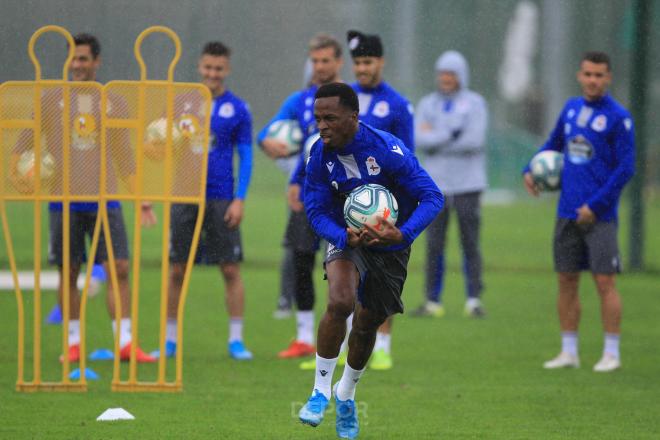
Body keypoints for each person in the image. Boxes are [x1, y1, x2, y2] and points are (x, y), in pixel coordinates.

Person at [297, 83, 443, 437]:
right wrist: (341, 235)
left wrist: (402, 234)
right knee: (340, 301)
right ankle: (319, 392)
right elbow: (315, 210)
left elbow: (432, 197)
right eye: (318, 118)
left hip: (391, 244)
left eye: (330, 118)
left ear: (353, 117)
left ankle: (345, 393)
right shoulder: (318, 155)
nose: (322, 125)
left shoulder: (387, 150)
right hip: (345, 237)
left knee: (367, 323)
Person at [9, 33, 157, 363]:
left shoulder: (113, 101)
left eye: (83, 59)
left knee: (119, 267)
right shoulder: (50, 99)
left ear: (96, 62)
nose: (77, 65)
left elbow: (124, 155)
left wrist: (142, 198)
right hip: (63, 199)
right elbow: (23, 145)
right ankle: (73, 344)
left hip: (106, 198)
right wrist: (19, 175)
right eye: (73, 59)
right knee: (68, 271)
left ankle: (125, 343)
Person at [299, 30, 414, 372]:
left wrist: (395, 211)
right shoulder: (340, 101)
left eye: (368, 62)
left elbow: (406, 155)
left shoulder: (396, 104)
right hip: (343, 205)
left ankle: (383, 347)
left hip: (382, 205)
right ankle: (333, 352)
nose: (362, 69)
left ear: (381, 62)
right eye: (358, 63)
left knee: (378, 285)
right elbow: (318, 150)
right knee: (341, 288)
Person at [523, 51, 635, 372]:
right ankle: (569, 351)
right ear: (579, 75)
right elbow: (552, 144)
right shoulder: (571, 109)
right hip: (567, 212)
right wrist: (528, 169)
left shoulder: (618, 117)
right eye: (588, 74)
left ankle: (611, 352)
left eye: (599, 75)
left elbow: (625, 169)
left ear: (608, 77)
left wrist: (596, 206)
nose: (593, 80)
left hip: (600, 217)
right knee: (566, 281)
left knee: (604, 282)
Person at [153, 41, 254, 360]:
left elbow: (247, 156)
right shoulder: (180, 103)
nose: (212, 73)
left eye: (218, 68)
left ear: (227, 70)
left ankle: (236, 340)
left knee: (229, 269)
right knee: (177, 270)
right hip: (183, 195)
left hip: (222, 197)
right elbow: (159, 144)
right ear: (200, 67)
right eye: (208, 67)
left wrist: (240, 199)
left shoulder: (238, 109)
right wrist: (154, 148)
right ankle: (169, 341)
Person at [258, 34, 344, 360]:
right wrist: (269, 144)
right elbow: (265, 133)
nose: (320, 67)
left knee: (343, 265)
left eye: (325, 61)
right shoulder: (301, 100)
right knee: (301, 259)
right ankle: (305, 336)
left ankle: (344, 336)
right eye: (315, 61)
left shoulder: (349, 99)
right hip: (308, 193)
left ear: (338, 62)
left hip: (344, 196)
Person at [413, 50, 489, 319]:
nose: (446, 78)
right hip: (436, 185)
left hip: (468, 184)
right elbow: (420, 140)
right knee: (434, 243)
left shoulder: (475, 103)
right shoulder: (427, 104)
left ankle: (474, 299)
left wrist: (437, 137)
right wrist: (452, 132)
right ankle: (432, 301)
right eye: (442, 73)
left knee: (469, 242)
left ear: (461, 76)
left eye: (451, 74)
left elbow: (474, 140)